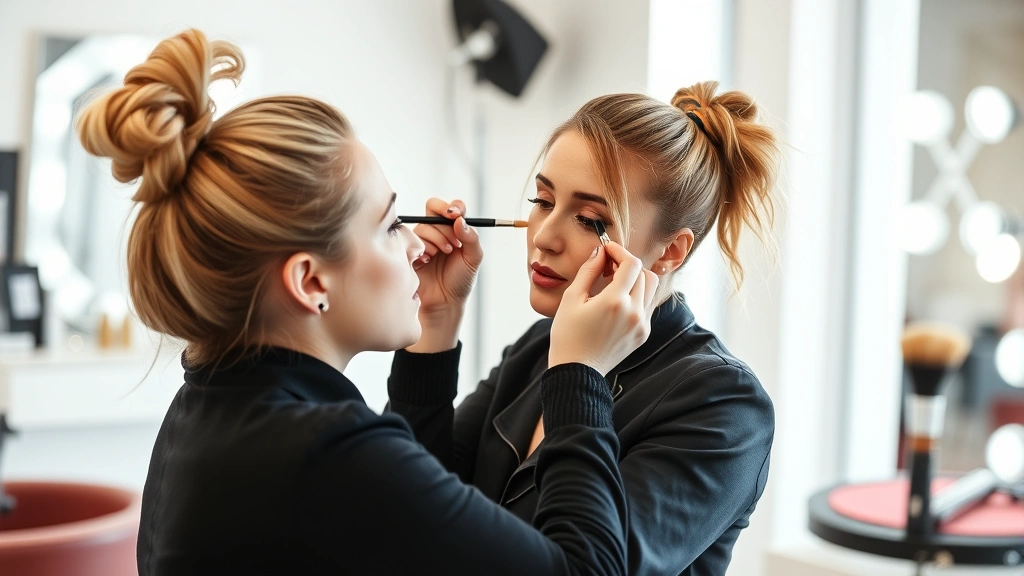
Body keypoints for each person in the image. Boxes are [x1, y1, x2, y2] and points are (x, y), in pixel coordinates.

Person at [74, 29, 662, 576]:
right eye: (388, 226)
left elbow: (406, 504)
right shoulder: (325, 454)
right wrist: (581, 375)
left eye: (589, 218)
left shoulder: (217, 409)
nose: (414, 245)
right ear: (310, 282)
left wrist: (435, 326)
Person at [390, 83, 781, 575]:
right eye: (542, 199)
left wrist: (579, 374)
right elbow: (403, 508)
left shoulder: (725, 407)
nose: (545, 236)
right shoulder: (539, 348)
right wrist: (436, 321)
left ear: (671, 251)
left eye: (590, 219)